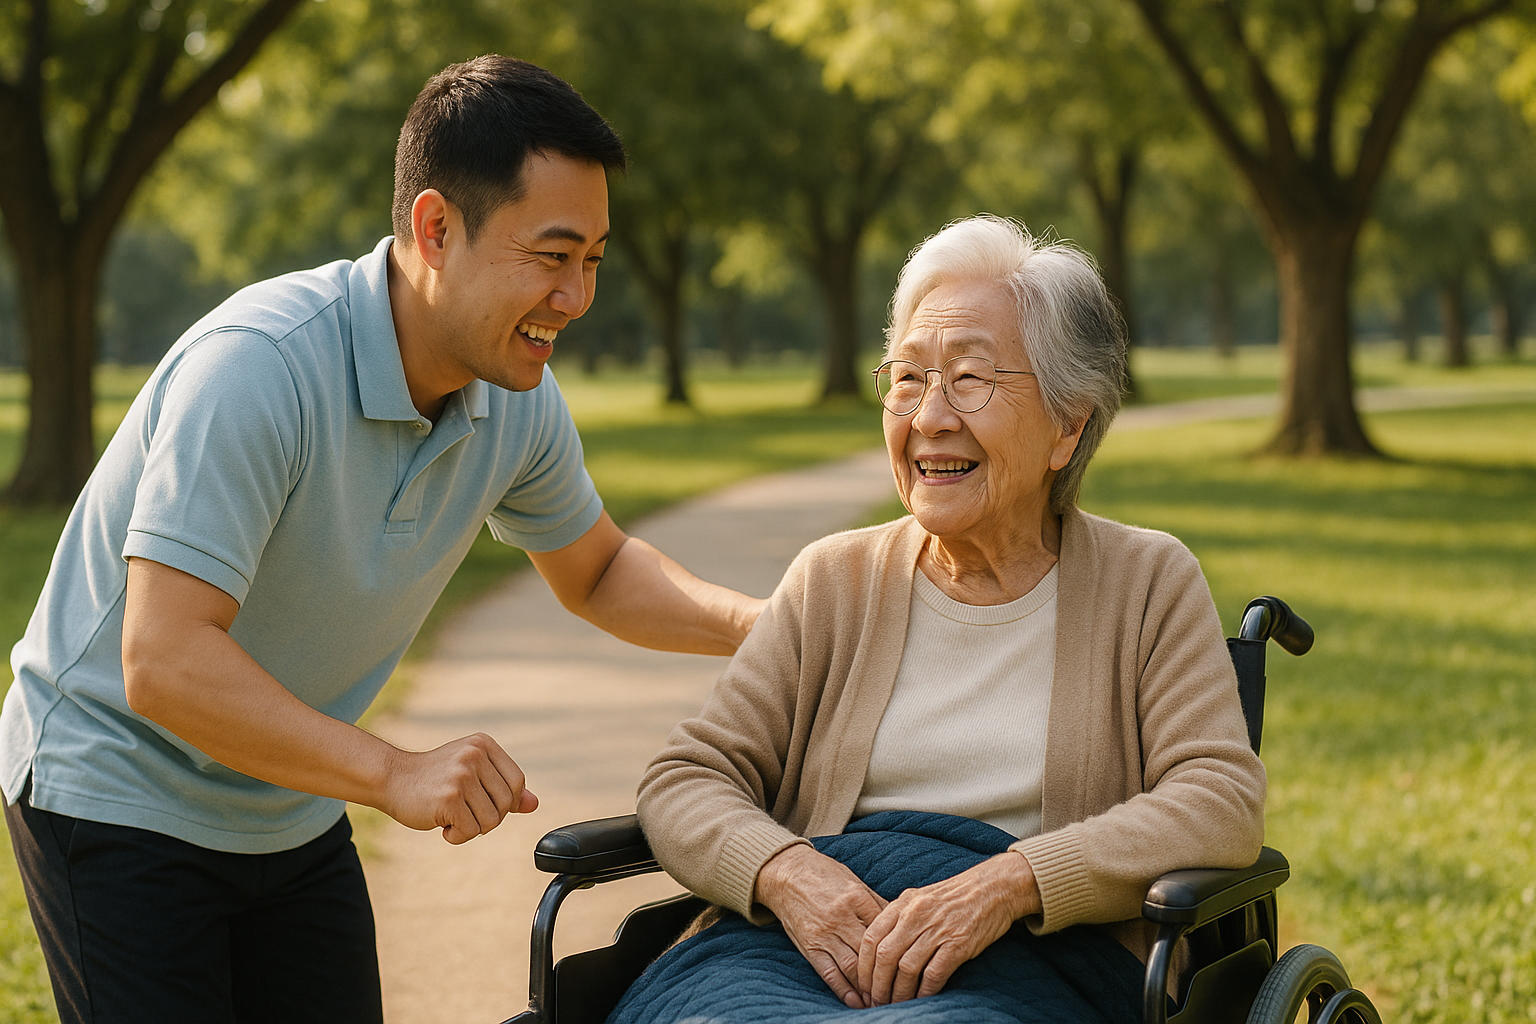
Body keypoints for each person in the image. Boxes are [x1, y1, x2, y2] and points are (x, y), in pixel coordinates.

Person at [0, 56, 764, 1024]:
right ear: (436, 228)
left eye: (594, 261)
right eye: (552, 256)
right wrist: (395, 773)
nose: (577, 297)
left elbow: (602, 569)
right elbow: (164, 660)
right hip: (116, 790)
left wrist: (771, 624)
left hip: (287, 802)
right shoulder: (260, 369)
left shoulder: (514, 396)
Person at [629, 216, 1266, 1022]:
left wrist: (1009, 885)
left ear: (1067, 426)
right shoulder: (833, 580)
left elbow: (1219, 800)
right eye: (908, 378)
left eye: (969, 378)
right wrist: (788, 873)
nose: (929, 417)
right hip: (805, 953)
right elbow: (685, 778)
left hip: (1034, 966)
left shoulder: (1147, 582)